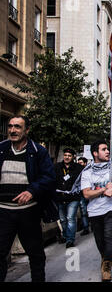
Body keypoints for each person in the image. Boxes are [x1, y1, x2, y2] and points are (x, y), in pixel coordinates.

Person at [0, 116, 56, 282]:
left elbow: (48, 177)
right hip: (3, 211)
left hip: (28, 212)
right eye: (10, 126)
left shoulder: (38, 151)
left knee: (35, 253)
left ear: (27, 130)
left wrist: (32, 191)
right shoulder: (1, 149)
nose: (12, 130)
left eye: (17, 127)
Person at [80, 140, 112, 282]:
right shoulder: (87, 171)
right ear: (95, 153)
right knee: (99, 240)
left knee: (109, 236)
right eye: (104, 149)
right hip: (95, 210)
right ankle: (105, 256)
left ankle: (106, 266)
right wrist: (104, 189)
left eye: (107, 149)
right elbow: (86, 194)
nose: (107, 152)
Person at [54, 148, 83, 248]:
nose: (67, 157)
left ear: (73, 157)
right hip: (60, 197)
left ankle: (70, 239)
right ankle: (66, 235)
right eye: (65, 155)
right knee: (62, 219)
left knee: (70, 218)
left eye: (69, 156)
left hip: (73, 197)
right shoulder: (57, 167)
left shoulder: (78, 168)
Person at [77, 157, 90, 236]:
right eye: (78, 163)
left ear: (85, 163)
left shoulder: (89, 171)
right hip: (82, 194)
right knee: (83, 212)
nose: (79, 164)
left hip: (90, 194)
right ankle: (86, 228)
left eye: (81, 163)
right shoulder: (77, 172)